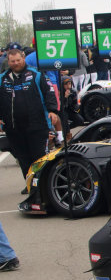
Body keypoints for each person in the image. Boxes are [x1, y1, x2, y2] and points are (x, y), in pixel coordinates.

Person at [0, 48, 59, 183]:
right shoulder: (2, 78)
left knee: (38, 158)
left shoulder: (36, 74)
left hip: (37, 125)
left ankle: (41, 186)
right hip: (13, 127)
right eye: (12, 61)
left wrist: (52, 111)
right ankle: (30, 185)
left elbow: (49, 92)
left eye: (18, 60)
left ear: (23, 58)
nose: (16, 63)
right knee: (23, 158)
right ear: (8, 62)